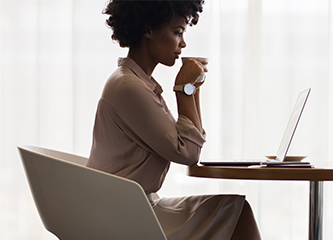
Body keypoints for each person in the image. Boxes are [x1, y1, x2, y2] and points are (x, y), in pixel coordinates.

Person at [86, 0, 261, 239]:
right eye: (177, 32)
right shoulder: (129, 87)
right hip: (123, 216)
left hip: (129, 206)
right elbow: (188, 153)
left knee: (237, 211)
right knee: (237, 212)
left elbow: (190, 145)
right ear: (148, 29)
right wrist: (184, 88)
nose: (183, 43)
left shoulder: (135, 83)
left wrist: (192, 88)